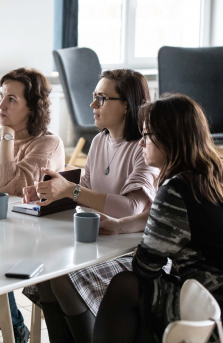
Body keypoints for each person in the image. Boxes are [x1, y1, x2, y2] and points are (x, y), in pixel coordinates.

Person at [22, 69, 159, 343]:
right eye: (94, 97)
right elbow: (84, 189)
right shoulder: (99, 140)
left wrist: (70, 190)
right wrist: (51, 191)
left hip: (128, 247)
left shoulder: (144, 147)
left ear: (127, 106)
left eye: (102, 98)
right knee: (46, 273)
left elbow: (132, 207)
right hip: (98, 241)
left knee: (62, 277)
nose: (92, 105)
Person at [92, 94, 223, 343]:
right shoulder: (211, 176)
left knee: (125, 285)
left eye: (146, 136)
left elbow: (146, 266)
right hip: (213, 299)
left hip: (209, 308)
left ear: (169, 138)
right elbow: (179, 222)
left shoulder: (176, 189)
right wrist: (121, 225)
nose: (141, 144)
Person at [0, 67, 65, 343]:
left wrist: (7, 137)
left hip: (33, 234)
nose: (1, 104)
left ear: (32, 108)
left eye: (12, 99)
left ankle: (4, 320)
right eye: (0, 96)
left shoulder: (47, 144)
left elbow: (8, 191)